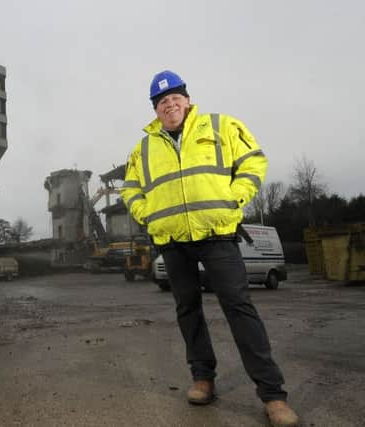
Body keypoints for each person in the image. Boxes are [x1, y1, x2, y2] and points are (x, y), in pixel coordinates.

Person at [121, 70, 299, 427]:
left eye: (174, 98)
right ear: (155, 110)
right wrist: (149, 216)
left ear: (187, 100)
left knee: (239, 308)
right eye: (161, 102)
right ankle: (202, 378)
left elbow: (253, 161)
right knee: (188, 309)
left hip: (217, 234)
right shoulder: (142, 148)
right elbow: (130, 190)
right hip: (172, 239)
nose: (169, 105)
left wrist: (234, 199)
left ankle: (273, 396)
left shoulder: (221, 126)